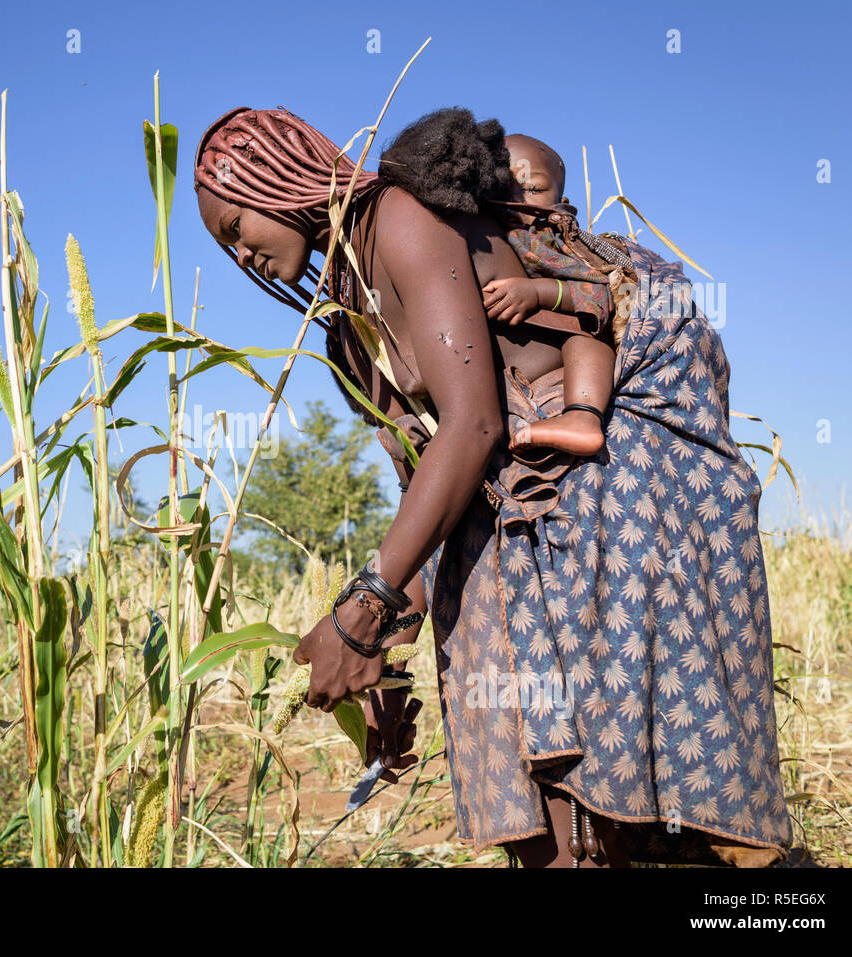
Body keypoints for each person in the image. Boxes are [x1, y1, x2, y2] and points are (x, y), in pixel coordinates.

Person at [194, 104, 792, 867]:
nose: (238, 254)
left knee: (661, 817)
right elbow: (430, 492)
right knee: (561, 830)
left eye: (236, 226)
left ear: (275, 181)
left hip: (611, 491)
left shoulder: (400, 220)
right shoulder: (344, 326)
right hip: (512, 523)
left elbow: (473, 428)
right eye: (223, 246)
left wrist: (357, 614)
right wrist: (380, 645)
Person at [481, 134, 623, 457]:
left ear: (562, 203)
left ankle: (582, 416)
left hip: (582, 329)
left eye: (533, 188)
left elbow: (596, 293)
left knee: (585, 331)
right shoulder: (495, 235)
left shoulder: (553, 239)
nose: (518, 197)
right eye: (503, 186)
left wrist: (537, 293)